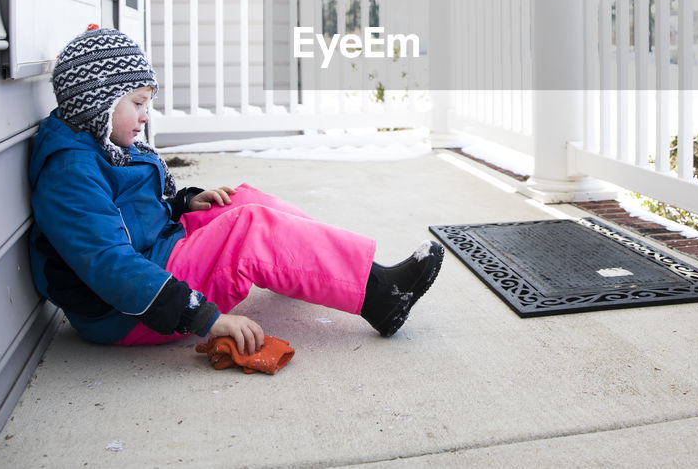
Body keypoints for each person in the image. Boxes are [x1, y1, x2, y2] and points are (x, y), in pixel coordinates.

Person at [27, 26, 443, 354]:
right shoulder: (71, 174)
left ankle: (335, 270)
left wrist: (184, 202)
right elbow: (109, 263)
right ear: (98, 102)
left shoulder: (99, 142)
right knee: (247, 229)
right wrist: (205, 319)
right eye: (137, 103)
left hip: (154, 256)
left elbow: (132, 210)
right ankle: (381, 298)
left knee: (241, 200)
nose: (145, 116)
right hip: (126, 312)